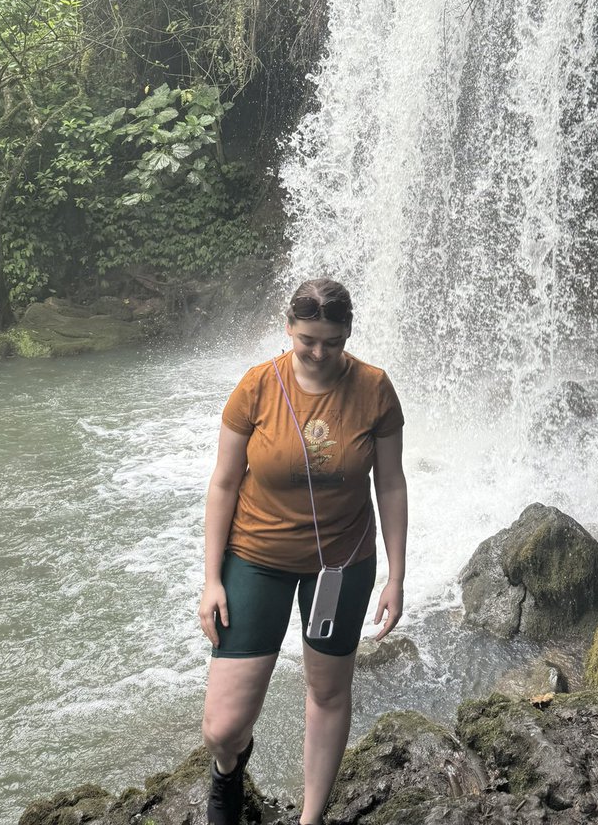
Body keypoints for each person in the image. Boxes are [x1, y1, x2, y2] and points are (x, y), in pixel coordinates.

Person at [199, 278, 408, 825]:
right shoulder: (256, 387)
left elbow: (391, 484)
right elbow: (223, 484)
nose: (319, 352)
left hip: (342, 563)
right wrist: (211, 580)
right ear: (288, 328)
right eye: (307, 340)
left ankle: (310, 818)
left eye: (332, 342)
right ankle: (229, 769)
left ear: (347, 335)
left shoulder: (375, 389)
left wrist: (395, 575)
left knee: (329, 692)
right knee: (222, 726)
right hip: (255, 556)